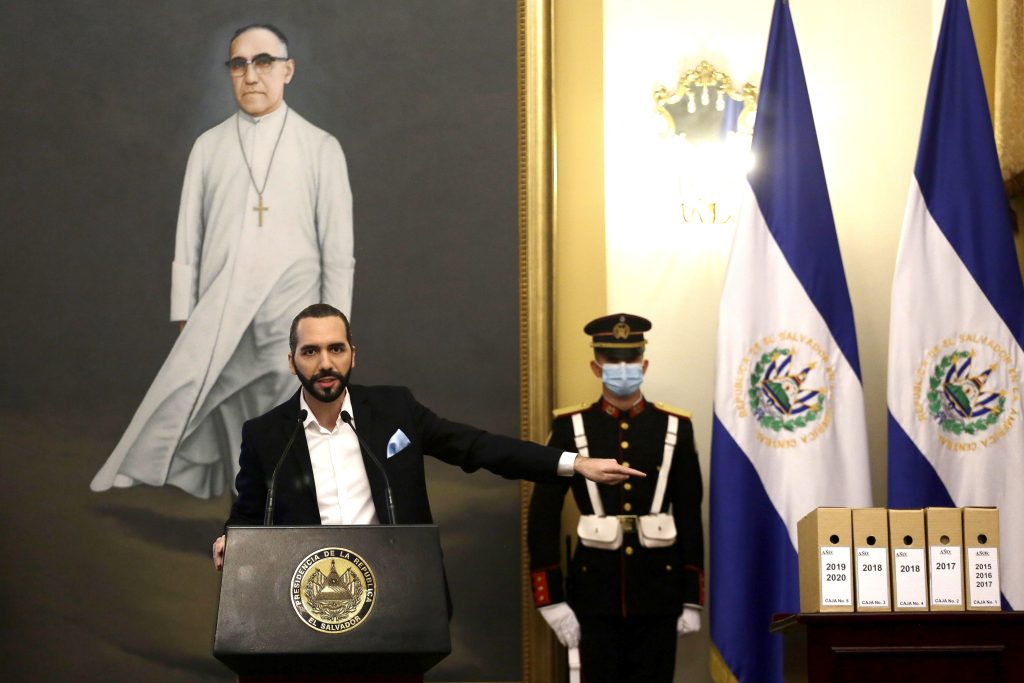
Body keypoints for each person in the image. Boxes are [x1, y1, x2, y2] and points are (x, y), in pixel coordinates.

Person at [92, 24, 354, 498]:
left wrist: (336, 328)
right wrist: (183, 312)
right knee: (220, 407)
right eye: (239, 65)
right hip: (223, 306)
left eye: (264, 62)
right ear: (231, 74)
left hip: (293, 312)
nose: (251, 75)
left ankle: (287, 510)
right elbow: (187, 238)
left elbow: (338, 249)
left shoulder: (321, 148)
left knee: (285, 412)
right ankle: (245, 508)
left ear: (287, 70)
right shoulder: (208, 146)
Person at [211, 303, 644, 569]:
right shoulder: (267, 435)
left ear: (352, 355)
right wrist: (231, 538)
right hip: (304, 600)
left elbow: (477, 446)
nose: (325, 363)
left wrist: (575, 463)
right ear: (292, 362)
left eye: (335, 349)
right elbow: (248, 513)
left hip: (397, 591)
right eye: (311, 351)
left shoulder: (394, 410)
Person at [527, 313, 705, 683]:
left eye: (631, 359)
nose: (623, 368)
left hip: (659, 589)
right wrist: (551, 598)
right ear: (597, 367)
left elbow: (689, 514)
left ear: (645, 364)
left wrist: (692, 598)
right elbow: (543, 514)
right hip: (594, 592)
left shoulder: (675, 427)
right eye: (612, 360)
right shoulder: (570, 427)